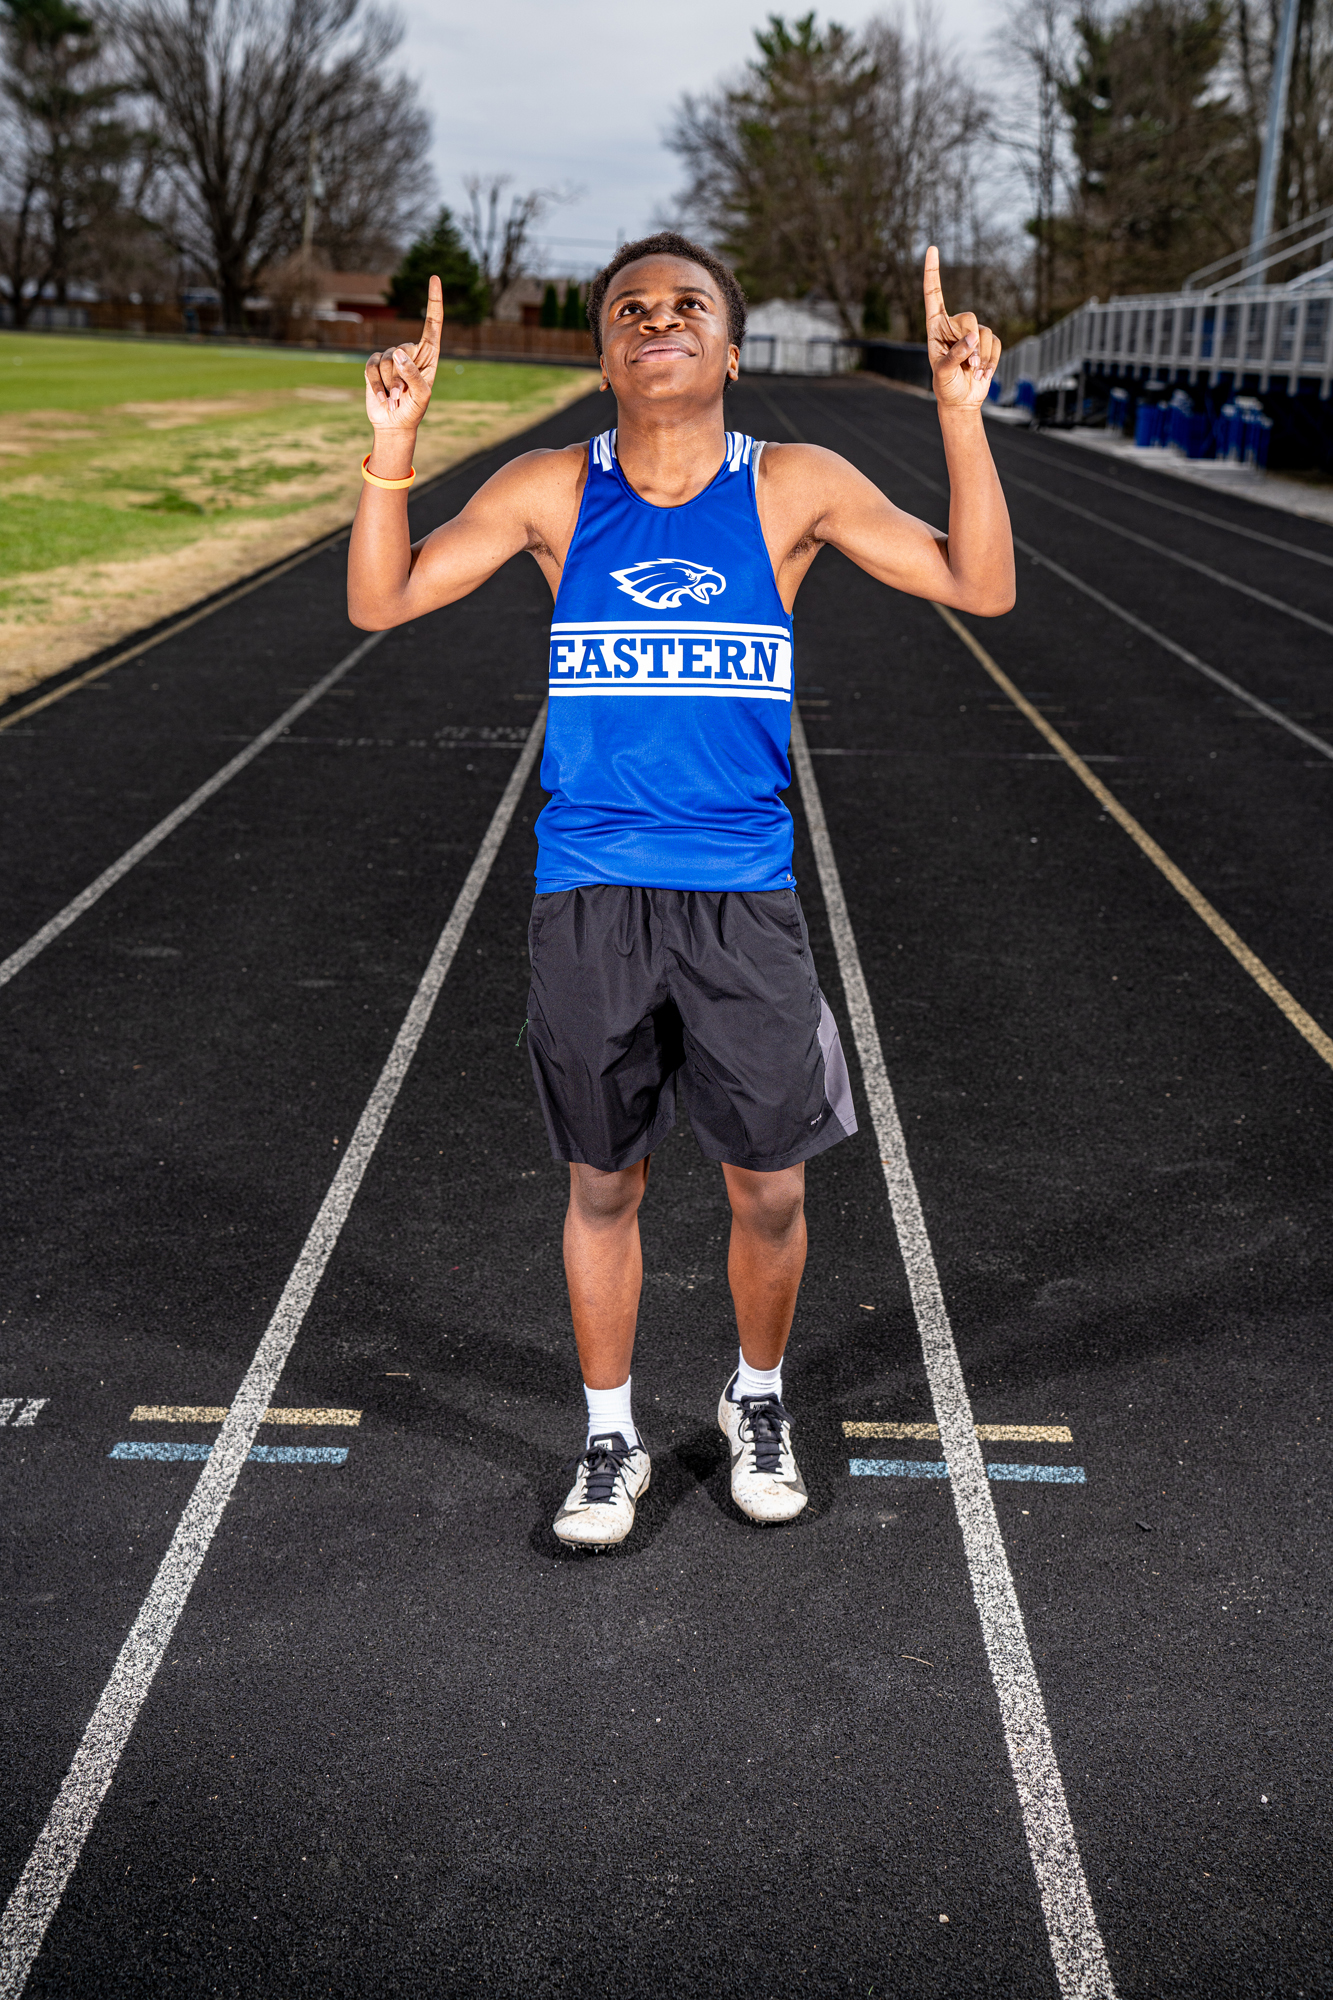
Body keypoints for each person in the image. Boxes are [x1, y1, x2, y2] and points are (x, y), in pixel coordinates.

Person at [347, 231, 1013, 1549]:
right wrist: (393, 445)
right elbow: (383, 600)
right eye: (631, 309)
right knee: (604, 1184)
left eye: (688, 304)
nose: (659, 320)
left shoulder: (793, 484)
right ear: (604, 354)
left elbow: (977, 584)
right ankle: (610, 1437)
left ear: (732, 347)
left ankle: (755, 1396)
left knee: (770, 1186)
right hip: (591, 891)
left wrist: (959, 417)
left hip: (740, 894)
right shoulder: (552, 488)